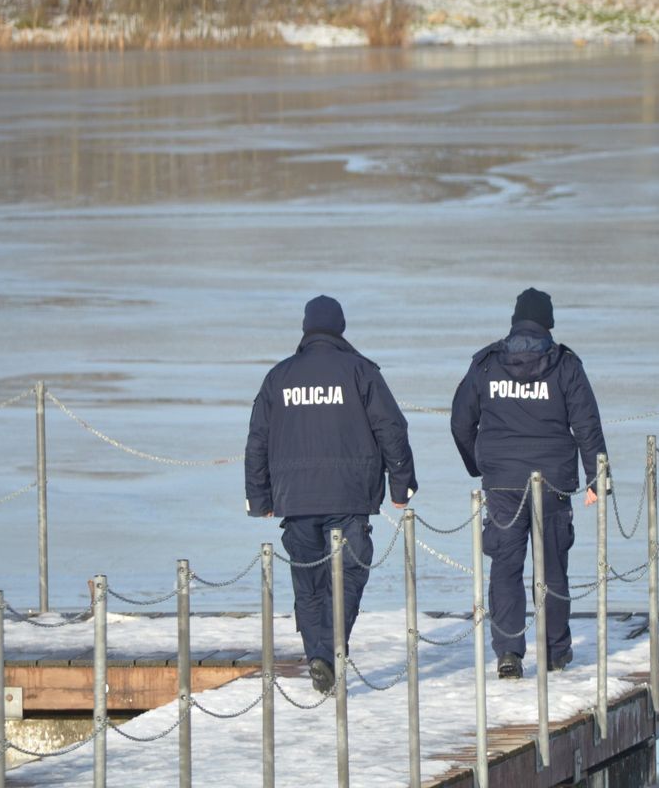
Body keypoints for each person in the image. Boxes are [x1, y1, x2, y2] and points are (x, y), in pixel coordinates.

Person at [245, 295, 417, 693]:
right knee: (349, 575)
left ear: (306, 328)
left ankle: (319, 656)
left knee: (308, 582)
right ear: (340, 328)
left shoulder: (279, 377)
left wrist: (260, 498)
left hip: (296, 499)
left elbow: (258, 438)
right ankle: (327, 652)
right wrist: (400, 485)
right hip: (350, 497)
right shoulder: (361, 371)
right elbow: (392, 428)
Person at [450, 287, 608, 679]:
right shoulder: (565, 365)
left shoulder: (487, 364)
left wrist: (479, 465)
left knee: (505, 567)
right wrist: (597, 479)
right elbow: (586, 425)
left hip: (503, 484)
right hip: (553, 482)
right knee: (552, 566)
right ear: (548, 323)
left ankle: (508, 653)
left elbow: (460, 420)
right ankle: (555, 652)